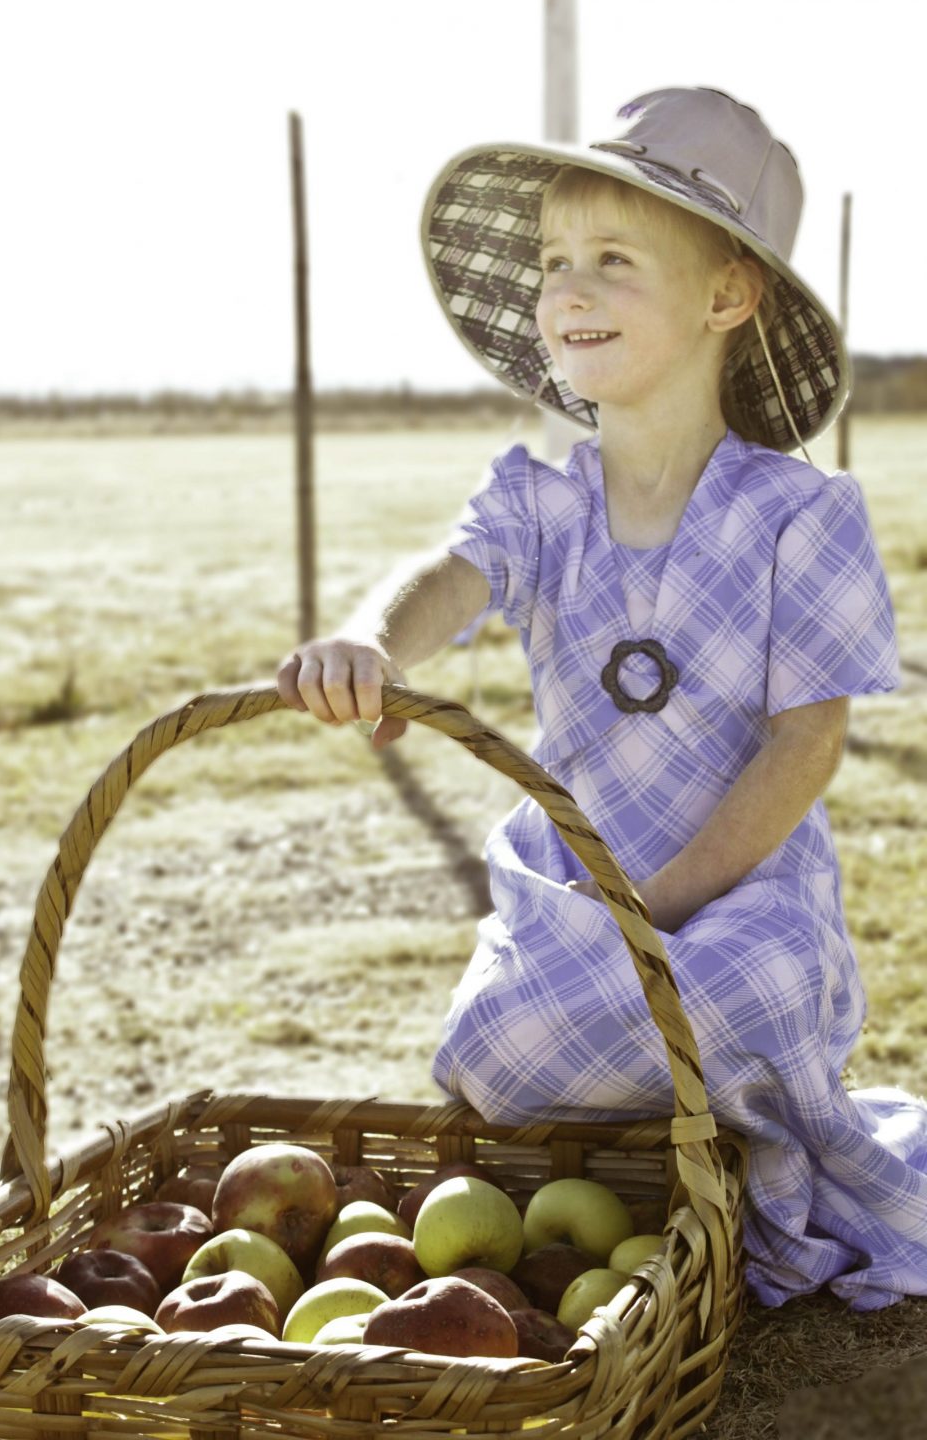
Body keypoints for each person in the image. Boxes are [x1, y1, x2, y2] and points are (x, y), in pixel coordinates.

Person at [277, 88, 927, 1312]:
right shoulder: (544, 501)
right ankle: (671, 1141)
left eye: (613, 262)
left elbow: (806, 745)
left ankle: (746, 1159)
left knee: (755, 983)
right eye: (553, 261)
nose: (566, 290)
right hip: (573, 892)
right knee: (492, 1052)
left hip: (742, 896)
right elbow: (449, 578)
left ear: (726, 297)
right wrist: (372, 641)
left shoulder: (802, 515)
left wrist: (669, 907)